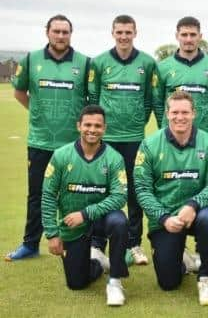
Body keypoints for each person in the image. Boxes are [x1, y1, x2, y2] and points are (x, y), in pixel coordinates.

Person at [6, 14, 90, 261]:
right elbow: (20, 92)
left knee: (73, 193)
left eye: (65, 32)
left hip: (73, 144)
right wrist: (39, 112)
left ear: (71, 34)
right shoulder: (32, 60)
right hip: (41, 141)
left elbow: (91, 101)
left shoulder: (84, 63)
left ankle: (76, 244)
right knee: (37, 195)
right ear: (48, 33)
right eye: (57, 31)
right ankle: (31, 244)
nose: (61, 36)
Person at [134, 91, 208, 306]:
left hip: (197, 212)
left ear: (194, 113)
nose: (179, 117)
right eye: (175, 112)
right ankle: (181, 257)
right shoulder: (149, 145)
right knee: (168, 282)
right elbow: (142, 189)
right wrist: (164, 217)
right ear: (167, 114)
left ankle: (206, 278)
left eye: (185, 112)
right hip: (166, 217)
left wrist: (193, 205)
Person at [41, 105, 129, 306]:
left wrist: (86, 213)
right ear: (78, 126)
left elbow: (120, 197)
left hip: (101, 221)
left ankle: (115, 282)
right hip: (74, 226)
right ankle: (97, 261)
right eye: (87, 124)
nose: (92, 129)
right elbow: (47, 195)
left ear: (104, 129)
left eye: (97, 125)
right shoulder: (61, 156)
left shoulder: (114, 158)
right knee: (77, 283)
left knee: (119, 221)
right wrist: (52, 234)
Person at [88, 15, 156, 266]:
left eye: (128, 32)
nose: (124, 36)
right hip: (106, 140)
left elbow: (150, 100)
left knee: (135, 192)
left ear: (135, 33)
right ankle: (97, 244)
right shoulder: (100, 62)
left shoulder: (147, 63)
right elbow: (94, 100)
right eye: (120, 32)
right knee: (101, 189)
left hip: (134, 138)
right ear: (112, 33)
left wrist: (138, 121)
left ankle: (134, 244)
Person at [153, 16, 208, 136]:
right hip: (172, 135)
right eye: (184, 35)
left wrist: (207, 123)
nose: (188, 39)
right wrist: (166, 125)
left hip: (204, 134)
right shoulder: (163, 67)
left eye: (193, 34)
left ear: (200, 36)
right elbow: (158, 102)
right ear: (177, 36)